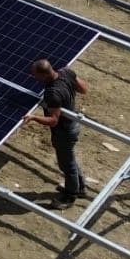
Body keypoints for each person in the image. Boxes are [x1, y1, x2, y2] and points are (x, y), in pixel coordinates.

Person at [26, 58, 85, 203]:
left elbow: (53, 121)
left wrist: (33, 117)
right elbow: (83, 89)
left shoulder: (52, 93)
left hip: (63, 131)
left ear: (44, 75)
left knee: (67, 164)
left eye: (35, 75)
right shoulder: (66, 72)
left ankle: (70, 196)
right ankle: (80, 187)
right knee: (69, 159)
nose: (34, 78)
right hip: (73, 124)